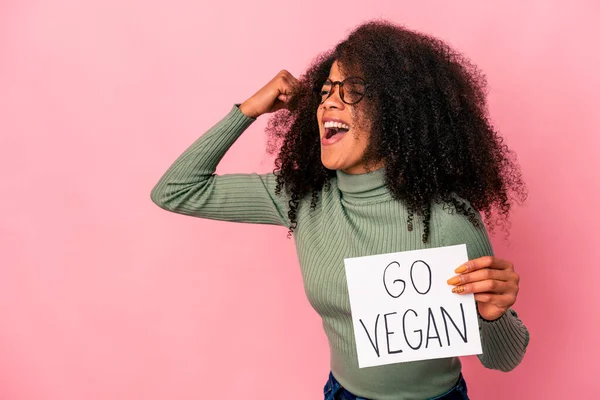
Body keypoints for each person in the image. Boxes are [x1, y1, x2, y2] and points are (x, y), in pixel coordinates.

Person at [151, 21, 529, 400]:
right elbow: (175, 190)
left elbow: (504, 358)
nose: (329, 101)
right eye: (326, 90)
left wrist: (492, 314)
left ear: (397, 111)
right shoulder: (301, 197)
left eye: (352, 91)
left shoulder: (448, 219)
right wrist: (247, 110)